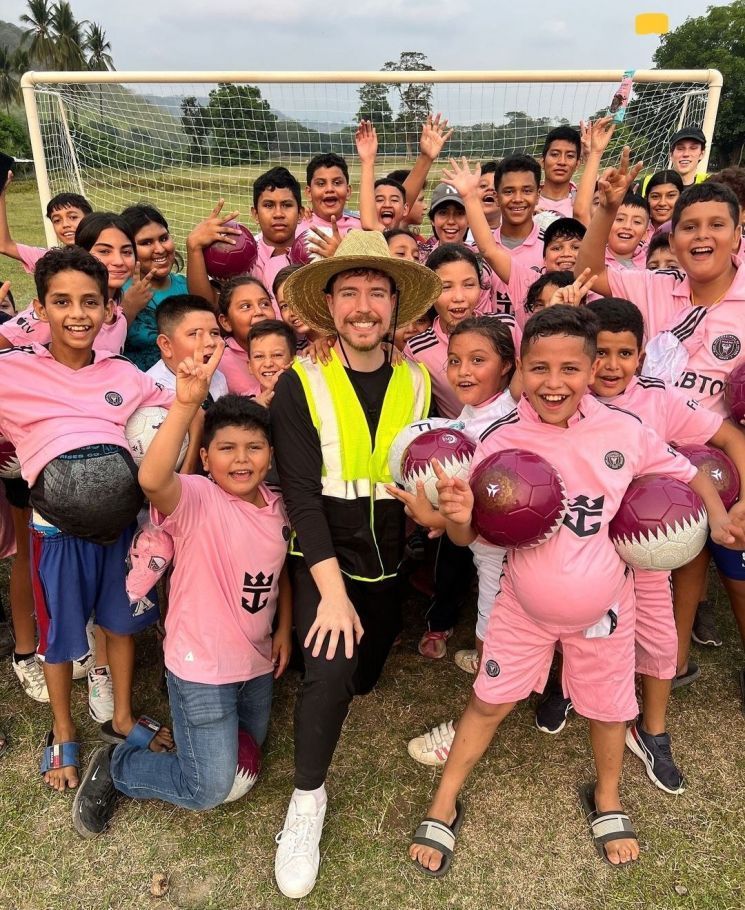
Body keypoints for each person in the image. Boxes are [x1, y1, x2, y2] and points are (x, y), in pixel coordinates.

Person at [408, 305, 741, 875]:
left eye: (569, 368)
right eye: (539, 368)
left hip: (605, 612)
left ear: (591, 371)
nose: (554, 383)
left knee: (610, 712)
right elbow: (469, 536)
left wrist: (717, 515)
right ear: (521, 370)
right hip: (522, 609)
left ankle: (608, 799)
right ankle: (444, 800)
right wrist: (456, 517)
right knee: (487, 702)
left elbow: (683, 472)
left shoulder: (626, 432)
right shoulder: (502, 440)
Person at [269, 229, 440, 899]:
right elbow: (302, 500)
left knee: (366, 676)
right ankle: (306, 804)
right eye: (349, 293)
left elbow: (434, 468)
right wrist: (330, 596)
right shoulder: (300, 380)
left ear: (395, 306)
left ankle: (357, 647)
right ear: (329, 306)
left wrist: (432, 514)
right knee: (333, 671)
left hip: (389, 563)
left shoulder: (420, 381)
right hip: (324, 559)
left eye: (376, 292)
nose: (363, 306)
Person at [537, 298, 745, 795]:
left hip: (646, 546)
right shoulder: (561, 397)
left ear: (642, 357)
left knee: (658, 637)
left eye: (624, 354)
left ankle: (651, 729)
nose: (611, 367)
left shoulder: (659, 399)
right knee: (571, 622)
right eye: (601, 354)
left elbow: (729, 438)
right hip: (579, 545)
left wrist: (729, 510)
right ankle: (564, 689)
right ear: (585, 358)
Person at [70, 377, 292, 836]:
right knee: (207, 788)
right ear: (206, 459)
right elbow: (153, 478)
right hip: (200, 666)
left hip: (254, 660)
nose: (242, 459)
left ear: (270, 454)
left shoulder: (278, 506)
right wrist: (187, 404)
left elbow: (281, 569)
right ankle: (120, 765)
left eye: (254, 447)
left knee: (252, 747)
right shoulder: (195, 498)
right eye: (227, 448)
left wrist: (284, 629)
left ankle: (195, 744)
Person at [0, 247, 177, 791]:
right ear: (40, 308)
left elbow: (176, 410)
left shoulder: (124, 373)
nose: (77, 314)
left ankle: (122, 716)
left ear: (108, 311)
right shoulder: (12, 371)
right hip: (58, 535)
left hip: (122, 532)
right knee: (60, 638)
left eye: (90, 302)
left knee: (121, 627)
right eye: (61, 302)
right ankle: (62, 729)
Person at [575, 152, 745, 681]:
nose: (702, 236)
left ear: (739, 234)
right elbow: (587, 269)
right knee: (669, 549)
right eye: (688, 226)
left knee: (731, 561)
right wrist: (605, 207)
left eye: (717, 225)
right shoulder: (653, 287)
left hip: (722, 451)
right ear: (671, 238)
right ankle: (666, 658)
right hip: (653, 444)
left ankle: (684, 651)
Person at [441, 156, 586, 327]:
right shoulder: (476, 252)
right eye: (509, 191)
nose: (518, 198)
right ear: (496, 197)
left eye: (527, 190)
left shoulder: (552, 251)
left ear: (538, 195)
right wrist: (469, 196)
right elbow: (488, 250)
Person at [405, 243, 514, 419]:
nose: (459, 297)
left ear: (481, 286)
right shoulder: (417, 349)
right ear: (430, 291)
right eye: (446, 287)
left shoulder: (506, 326)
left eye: (469, 285)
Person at [0, 212, 133, 355]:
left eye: (126, 252)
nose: (119, 261)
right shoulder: (51, 316)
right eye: (104, 251)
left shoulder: (117, 314)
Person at [120, 204, 189, 371]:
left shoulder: (186, 285)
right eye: (146, 243)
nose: (159, 249)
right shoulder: (119, 290)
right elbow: (104, 346)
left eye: (164, 238)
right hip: (139, 386)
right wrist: (128, 310)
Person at [0, 171, 91, 272]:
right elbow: (4, 245)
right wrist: (1, 191)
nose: (65, 224)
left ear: (90, 219)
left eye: (73, 217)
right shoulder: (50, 260)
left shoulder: (106, 257)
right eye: (57, 220)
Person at [147, 294, 228, 401]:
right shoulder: (151, 390)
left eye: (214, 333)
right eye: (195, 334)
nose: (210, 342)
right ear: (165, 345)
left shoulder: (218, 377)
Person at [216, 276, 274, 396]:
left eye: (264, 304)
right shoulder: (218, 364)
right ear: (226, 322)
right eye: (246, 306)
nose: (259, 312)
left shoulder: (290, 346)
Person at [247, 318, 296, 408]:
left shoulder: (304, 395)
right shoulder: (244, 404)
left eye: (277, 355)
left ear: (293, 360)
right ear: (249, 366)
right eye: (259, 356)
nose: (268, 364)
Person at [538, 125, 582, 217]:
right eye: (555, 154)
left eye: (570, 156)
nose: (562, 162)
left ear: (577, 164)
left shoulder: (582, 204)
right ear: (542, 161)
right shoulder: (525, 202)